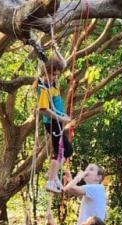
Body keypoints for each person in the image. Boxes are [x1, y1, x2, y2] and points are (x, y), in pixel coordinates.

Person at [36, 56, 74, 193]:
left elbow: (64, 63)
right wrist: (61, 118)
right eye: (53, 74)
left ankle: (51, 174)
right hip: (52, 122)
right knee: (60, 151)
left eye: (57, 75)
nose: (55, 77)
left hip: (57, 122)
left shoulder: (53, 84)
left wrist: (56, 49)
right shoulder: (43, 87)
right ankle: (50, 181)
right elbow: (43, 110)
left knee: (67, 151)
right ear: (46, 71)